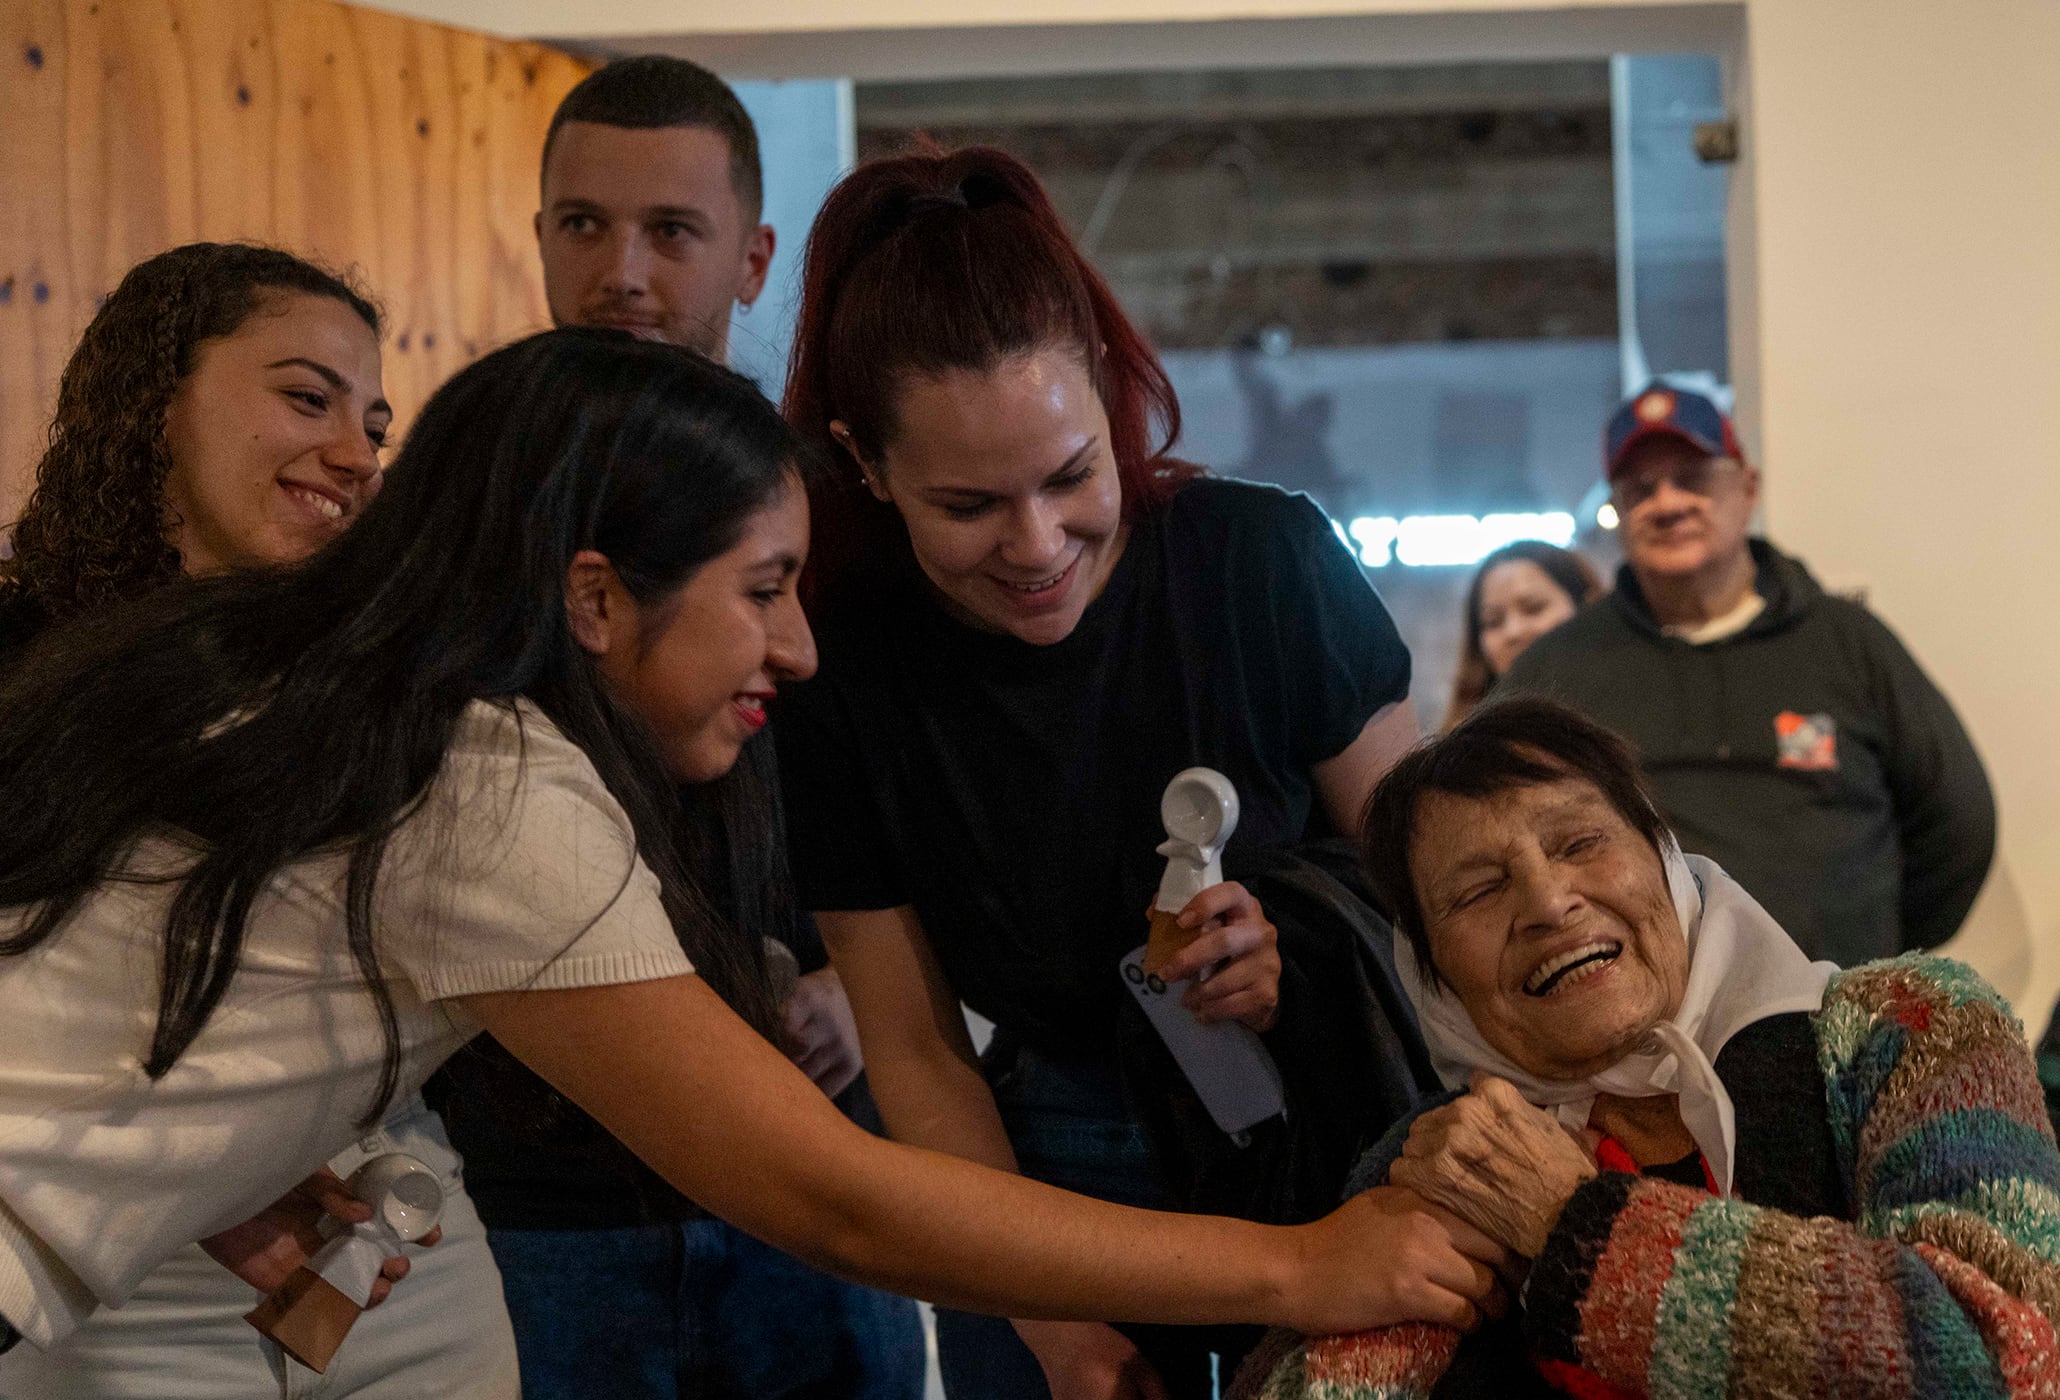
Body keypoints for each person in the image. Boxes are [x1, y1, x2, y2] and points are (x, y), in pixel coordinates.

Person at [0, 331, 1505, 1377]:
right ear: (595, 599)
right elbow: (830, 1194)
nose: (798, 649)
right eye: (764, 588)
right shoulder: (487, 786)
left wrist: (218, 1168)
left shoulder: (353, 699)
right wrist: (1301, 1264)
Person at [772, 147, 1436, 1400]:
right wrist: (1052, 1323)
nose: (1037, 546)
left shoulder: (1262, 559)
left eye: (1073, 475)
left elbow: (1433, 894)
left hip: (1333, 1123)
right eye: (968, 505)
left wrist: (1294, 945)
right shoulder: (841, 660)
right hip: (1042, 1165)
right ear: (864, 462)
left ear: (1111, 390)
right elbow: (914, 1048)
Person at [431, 55, 923, 1398]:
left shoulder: (838, 512)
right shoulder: (465, 502)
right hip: (533, 1190)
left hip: (813, 1136)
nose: (625, 275)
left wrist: (866, 989)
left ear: (753, 259)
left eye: (672, 231)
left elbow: (921, 793)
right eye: (585, 225)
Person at [1237, 697, 2060, 1400]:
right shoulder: (1451, 1156)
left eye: (1581, 843)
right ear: (1431, 975)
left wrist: (1576, 1227)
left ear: (1666, 860)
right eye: (1479, 891)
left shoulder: (1911, 1026)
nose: (1548, 902)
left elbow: (2010, 1365)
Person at [0, 242, 520, 1399]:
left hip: (395, 1240)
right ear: (155, 401)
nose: (356, 454)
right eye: (307, 398)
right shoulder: (20, 660)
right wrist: (201, 1179)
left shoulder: (386, 677)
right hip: (112, 1282)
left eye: (375, 427)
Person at [1501, 380, 1995, 965]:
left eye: (1693, 478)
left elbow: (1960, 823)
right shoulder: (1558, 669)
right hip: (1652, 1013)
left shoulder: (1848, 641)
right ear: (1620, 512)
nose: (1668, 503)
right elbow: (1488, 828)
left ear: (1748, 488)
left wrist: (1871, 937)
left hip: (1839, 1003)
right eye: (1641, 490)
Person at [1444, 542, 1600, 728]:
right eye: (1493, 621)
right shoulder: (1467, 737)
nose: (1513, 632)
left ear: (1588, 606)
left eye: (1533, 608)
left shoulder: (1623, 702)